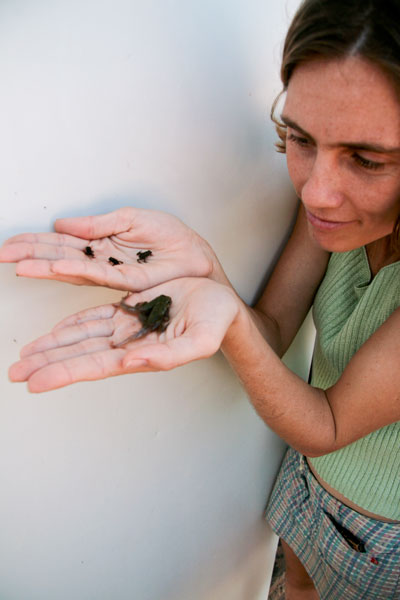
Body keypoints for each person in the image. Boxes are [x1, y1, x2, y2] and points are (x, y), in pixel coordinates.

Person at [1, 0, 400, 597]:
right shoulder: (331, 214)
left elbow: (328, 421)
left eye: (366, 160)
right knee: (295, 585)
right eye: (299, 138)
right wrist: (207, 269)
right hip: (303, 475)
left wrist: (231, 331)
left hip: (379, 528)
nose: (317, 191)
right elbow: (270, 327)